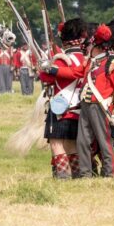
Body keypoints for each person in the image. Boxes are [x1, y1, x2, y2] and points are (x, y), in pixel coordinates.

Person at [41, 24, 114, 178]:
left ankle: (109, 174)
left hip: (101, 108)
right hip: (86, 107)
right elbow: (74, 72)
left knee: (104, 143)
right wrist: (53, 70)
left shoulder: (112, 64)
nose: (88, 49)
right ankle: (85, 174)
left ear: (98, 47)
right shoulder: (90, 62)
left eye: (91, 46)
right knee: (82, 143)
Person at [39, 18, 87, 179]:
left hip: (62, 108)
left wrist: (45, 65)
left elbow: (46, 78)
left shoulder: (60, 59)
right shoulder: (85, 59)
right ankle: (76, 175)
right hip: (79, 108)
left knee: (56, 143)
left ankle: (63, 177)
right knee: (71, 145)